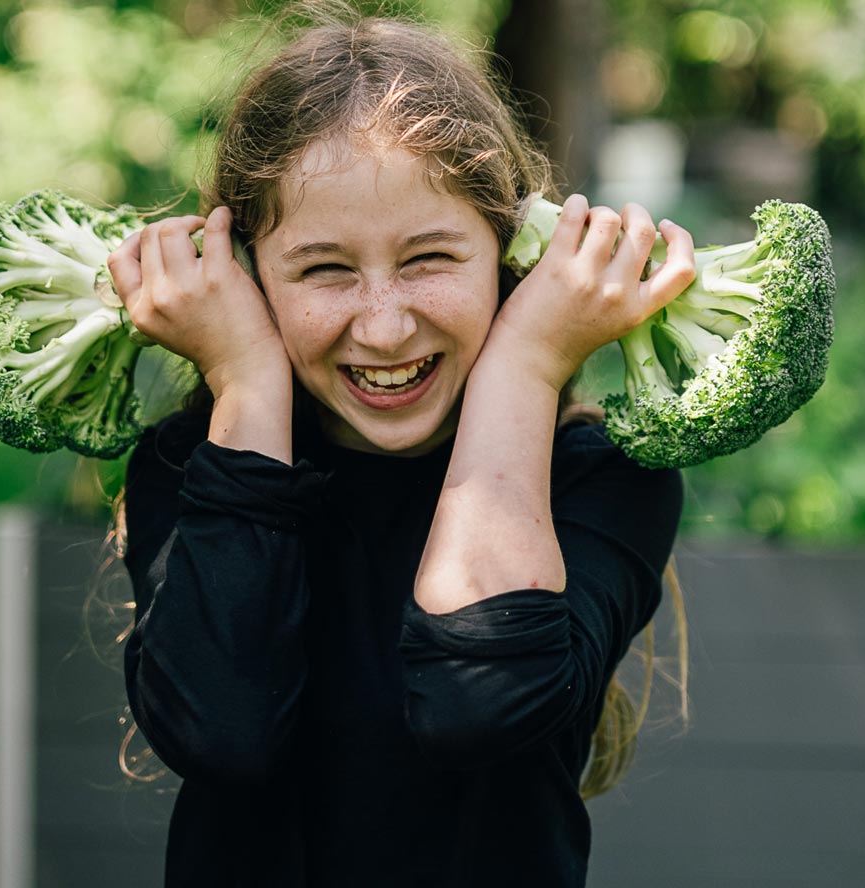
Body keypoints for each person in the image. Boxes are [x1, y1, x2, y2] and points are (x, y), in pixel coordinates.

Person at [106, 9, 695, 887]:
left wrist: (528, 365)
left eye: (430, 258)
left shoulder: (602, 481)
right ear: (244, 272)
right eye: (323, 268)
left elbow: (477, 710)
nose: (383, 327)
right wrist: (248, 381)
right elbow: (225, 734)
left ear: (507, 253)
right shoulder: (193, 467)